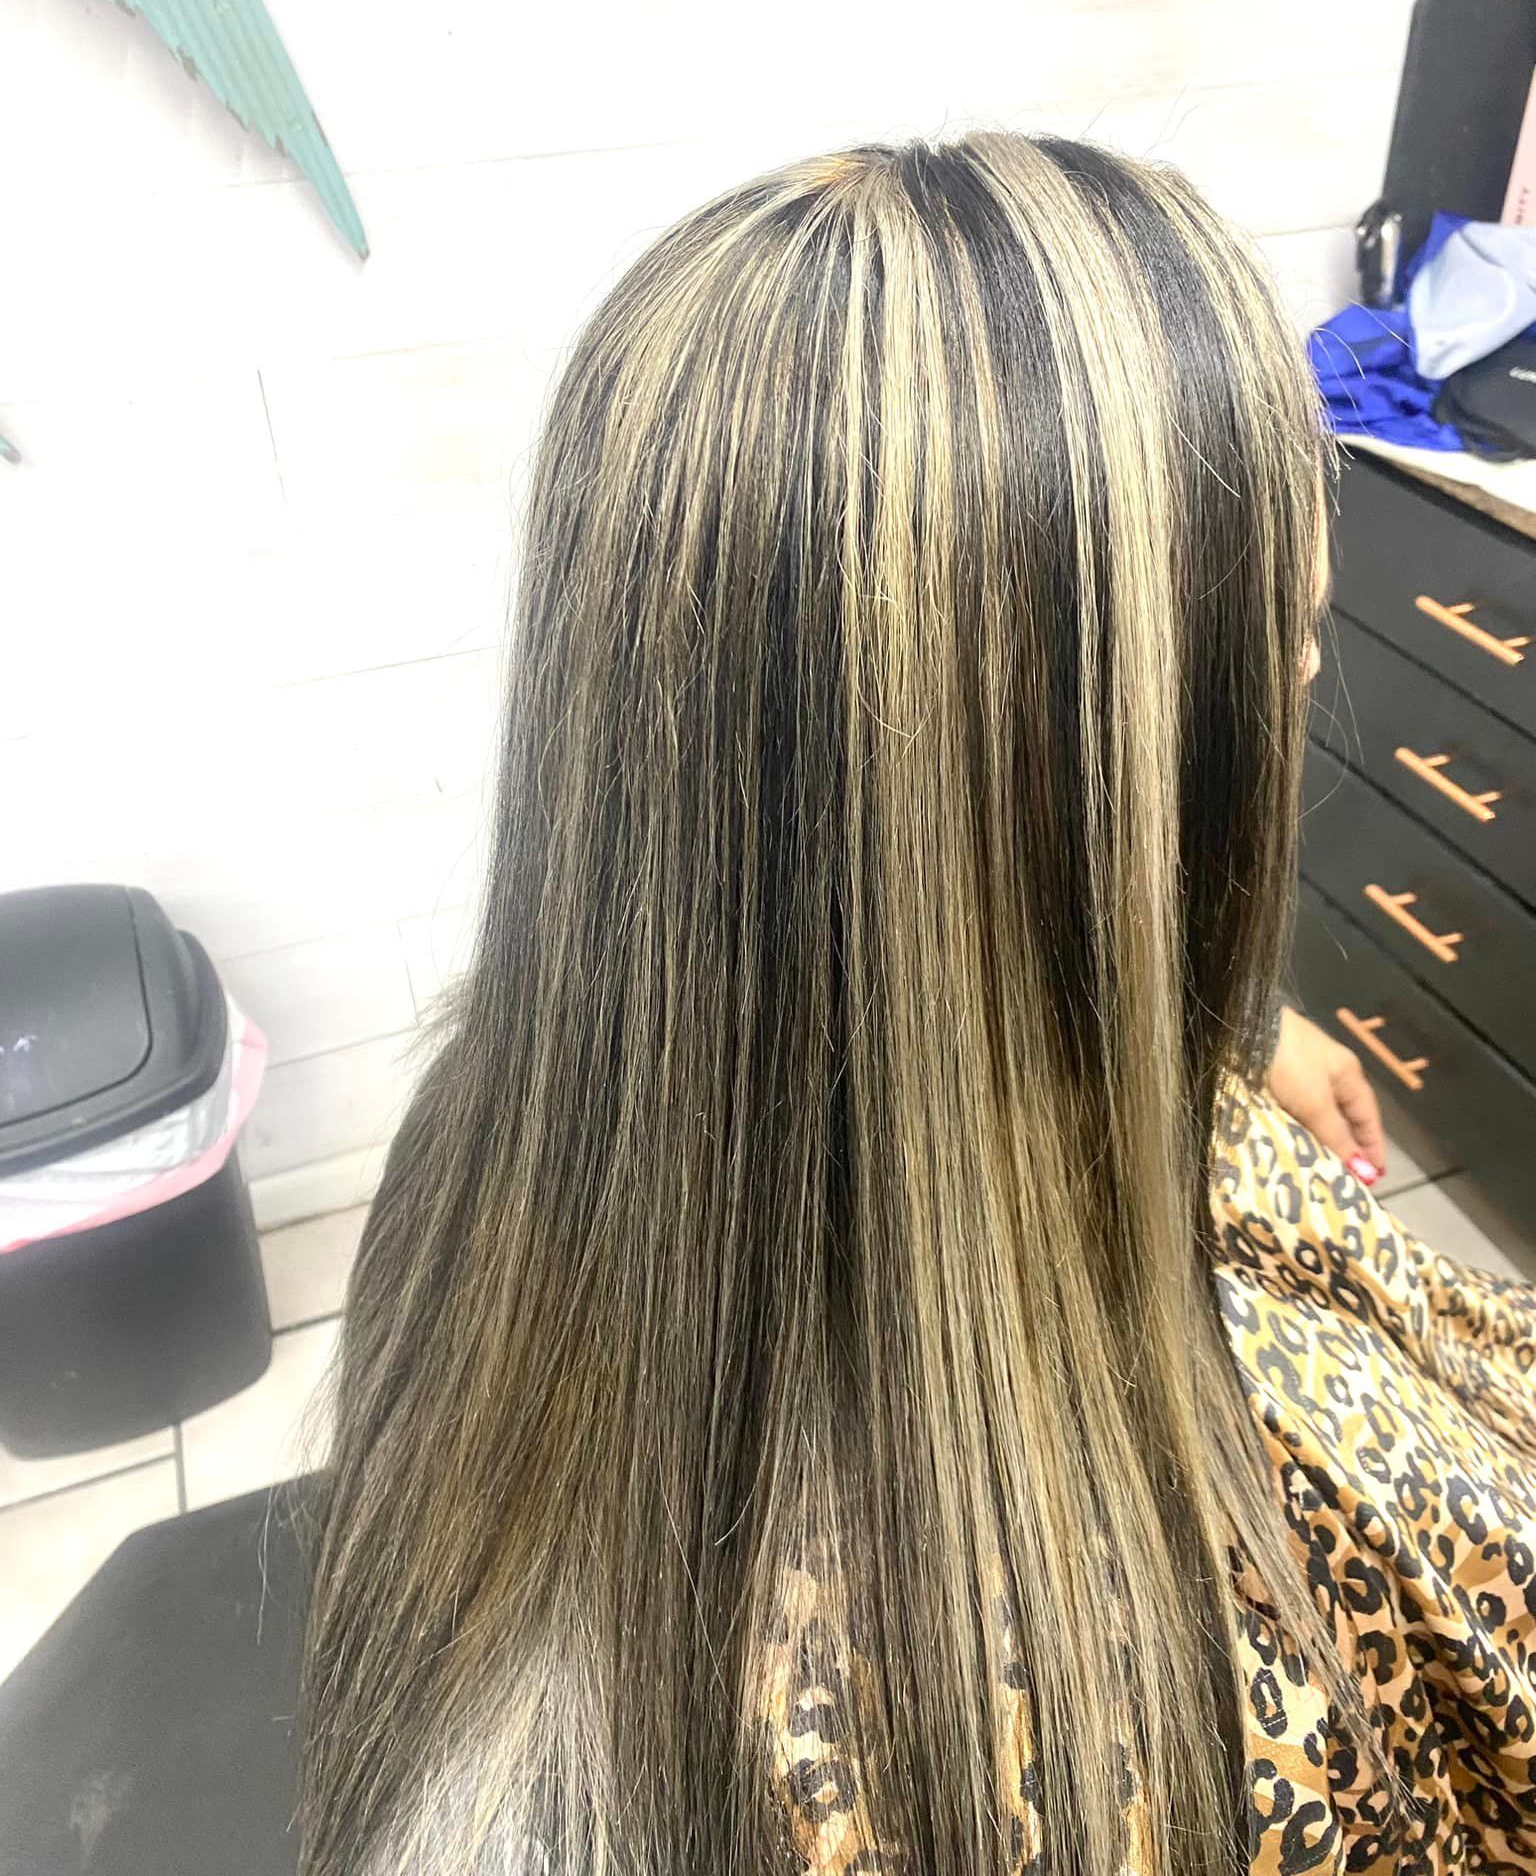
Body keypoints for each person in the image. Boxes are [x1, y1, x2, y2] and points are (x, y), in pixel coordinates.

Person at [299, 134, 1536, 1876]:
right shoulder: (1035, 1719)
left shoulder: (539, 1094)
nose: (1313, 660)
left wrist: (1223, 1025)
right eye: (1281, 640)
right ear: (1066, 796)